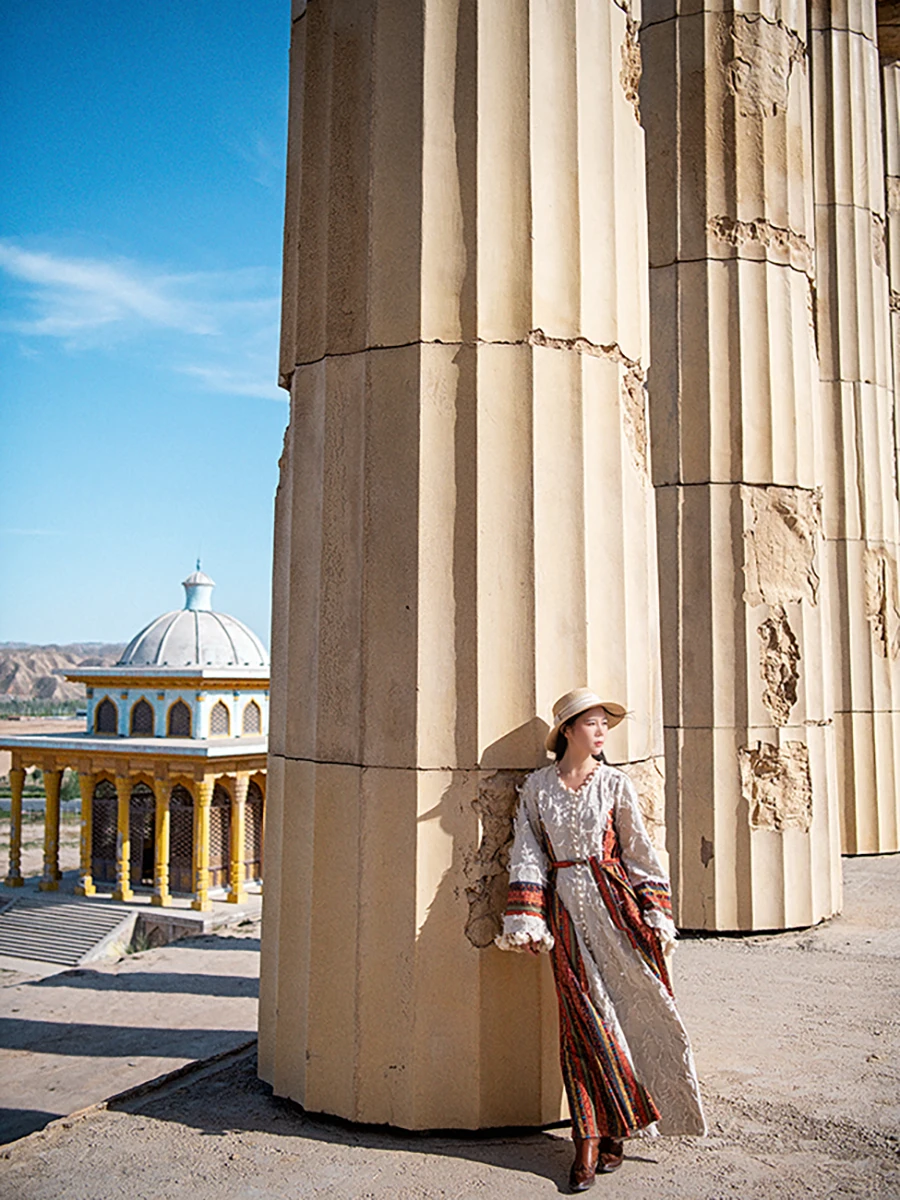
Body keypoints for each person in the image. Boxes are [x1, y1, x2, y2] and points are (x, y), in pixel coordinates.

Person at [495, 688, 706, 1193]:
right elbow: (527, 854)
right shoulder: (538, 789)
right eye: (592, 723)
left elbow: (639, 850)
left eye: (605, 724)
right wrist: (527, 919)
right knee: (584, 1024)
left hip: (619, 910)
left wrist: (655, 912)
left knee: (637, 1014)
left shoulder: (614, 784)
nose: (602, 731)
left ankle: (617, 1126)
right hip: (566, 913)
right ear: (567, 730)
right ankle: (587, 1140)